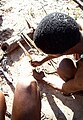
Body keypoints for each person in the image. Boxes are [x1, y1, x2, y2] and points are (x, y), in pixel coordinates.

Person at [31, 12, 83, 95]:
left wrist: (43, 78)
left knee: (64, 68)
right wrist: (42, 61)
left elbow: (65, 88)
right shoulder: (77, 29)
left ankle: (79, 91)